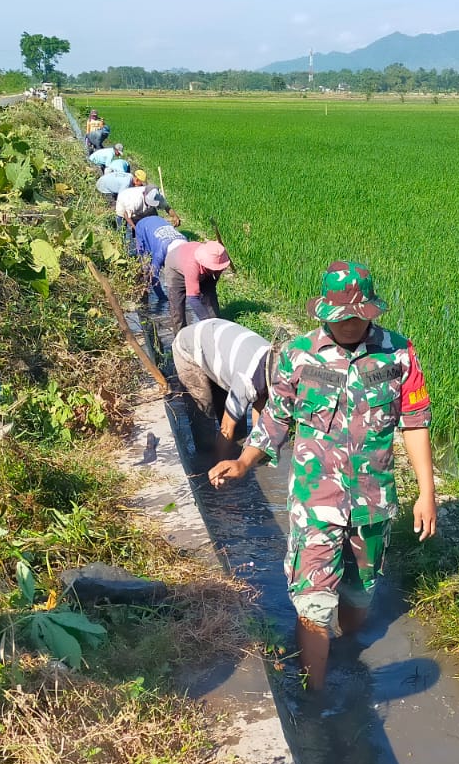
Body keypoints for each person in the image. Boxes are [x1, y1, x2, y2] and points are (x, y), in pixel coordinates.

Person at [208, 261, 436, 691]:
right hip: (315, 504)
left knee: (359, 594)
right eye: (341, 316)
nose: (349, 324)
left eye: (357, 316)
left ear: (370, 310)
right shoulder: (299, 355)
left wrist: (427, 493)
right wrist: (244, 461)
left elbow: (415, 423)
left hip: (372, 504)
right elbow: (275, 419)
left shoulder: (399, 354)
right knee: (313, 604)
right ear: (325, 311)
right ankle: (314, 701)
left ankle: (348, 661)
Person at [171, 318, 277, 446]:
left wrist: (258, 445)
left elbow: (261, 405)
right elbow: (226, 428)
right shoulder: (246, 382)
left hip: (217, 344)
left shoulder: (274, 360)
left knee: (237, 425)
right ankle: (206, 451)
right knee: (205, 410)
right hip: (188, 347)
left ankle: (236, 445)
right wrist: (220, 458)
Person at [161, 239, 231, 336]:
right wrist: (206, 321)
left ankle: (217, 329)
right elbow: (192, 298)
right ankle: (180, 337)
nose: (217, 270)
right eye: (214, 268)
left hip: (200, 267)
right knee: (177, 308)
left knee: (210, 297)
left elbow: (211, 287)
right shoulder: (192, 265)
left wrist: (214, 321)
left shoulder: (219, 258)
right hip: (175, 270)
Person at [134, 213, 185, 308]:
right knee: (144, 266)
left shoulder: (185, 245)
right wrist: (163, 298)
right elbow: (154, 276)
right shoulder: (160, 254)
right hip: (143, 226)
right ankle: (141, 292)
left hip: (159, 222)